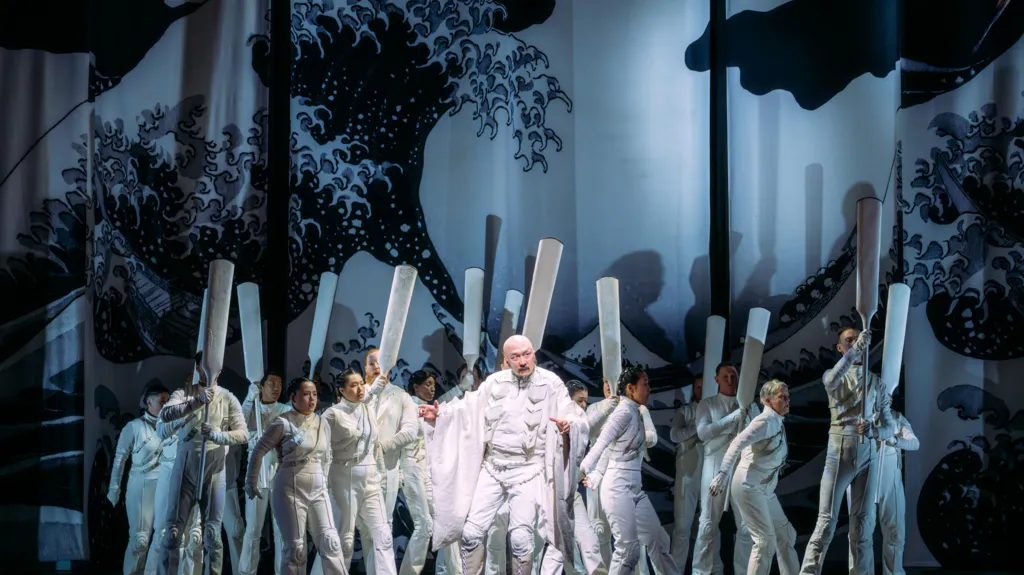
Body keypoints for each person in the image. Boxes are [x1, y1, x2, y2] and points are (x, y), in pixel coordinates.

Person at [419, 335, 588, 575]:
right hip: (493, 466)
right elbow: (468, 408)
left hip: (529, 470)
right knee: (470, 534)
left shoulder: (551, 383)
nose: (522, 361)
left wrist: (570, 426)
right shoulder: (494, 382)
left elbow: (571, 413)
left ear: (534, 354)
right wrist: (440, 415)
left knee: (520, 539)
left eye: (526, 354)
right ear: (506, 360)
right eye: (516, 356)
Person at [799, 328, 894, 575]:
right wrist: (855, 352)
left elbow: (889, 426)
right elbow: (830, 381)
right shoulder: (834, 376)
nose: (855, 343)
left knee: (863, 525)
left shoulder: (877, 383)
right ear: (840, 348)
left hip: (868, 452)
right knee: (827, 521)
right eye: (849, 341)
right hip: (839, 451)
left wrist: (875, 430)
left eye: (858, 340)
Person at [580, 368, 678, 575]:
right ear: (631, 388)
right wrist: (585, 470)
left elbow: (615, 447)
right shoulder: (624, 411)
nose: (649, 388)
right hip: (617, 487)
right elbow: (602, 443)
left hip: (634, 488)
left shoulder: (636, 411)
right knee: (628, 551)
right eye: (645, 383)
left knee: (658, 540)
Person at [157, 352, 248, 575]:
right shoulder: (183, 393)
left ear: (220, 371)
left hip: (215, 468)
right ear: (197, 368)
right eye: (203, 366)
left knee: (211, 534)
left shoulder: (227, 398)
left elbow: (243, 434)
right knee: (173, 533)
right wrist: (196, 403)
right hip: (186, 465)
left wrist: (218, 435)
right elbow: (165, 415)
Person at [245, 377, 347, 575]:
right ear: (293, 397)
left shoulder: (321, 421)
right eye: (306, 394)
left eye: (315, 394)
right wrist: (251, 482)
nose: (312, 399)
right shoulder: (282, 422)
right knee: (295, 549)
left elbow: (327, 456)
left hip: (318, 487)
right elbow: (258, 452)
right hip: (289, 486)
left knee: (331, 543)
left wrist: (324, 481)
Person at [708, 380, 798, 575]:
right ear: (768, 400)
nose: (787, 400)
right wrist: (723, 473)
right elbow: (737, 443)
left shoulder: (776, 421)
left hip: (764, 488)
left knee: (786, 535)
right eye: (782, 397)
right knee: (765, 542)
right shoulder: (764, 422)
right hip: (748, 486)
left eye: (787, 396)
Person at [313, 368, 395, 575]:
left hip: (370, 477)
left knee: (383, 534)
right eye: (353, 385)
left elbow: (373, 444)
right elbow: (320, 452)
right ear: (341, 390)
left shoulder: (367, 408)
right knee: (344, 540)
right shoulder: (332, 414)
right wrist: (320, 485)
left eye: (361, 383)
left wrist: (381, 472)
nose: (359, 388)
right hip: (343, 477)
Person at [691, 363, 755, 575]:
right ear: (716, 379)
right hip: (714, 467)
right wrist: (733, 418)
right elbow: (703, 433)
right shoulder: (707, 404)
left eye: (733, 375)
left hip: (741, 468)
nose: (730, 379)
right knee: (708, 526)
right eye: (725, 376)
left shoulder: (749, 406)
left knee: (746, 528)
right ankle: (701, 572)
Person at [538, 380, 607, 575]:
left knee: (589, 540)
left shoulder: (580, 424)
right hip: (550, 492)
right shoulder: (551, 420)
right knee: (556, 545)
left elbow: (588, 431)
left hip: (571, 492)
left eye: (585, 401)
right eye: (579, 401)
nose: (583, 406)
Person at [846, 410, 919, 575]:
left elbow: (914, 443)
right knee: (860, 533)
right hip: (862, 481)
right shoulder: (856, 417)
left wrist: (892, 439)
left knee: (895, 533)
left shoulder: (897, 418)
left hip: (890, 482)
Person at [108, 383, 170, 575]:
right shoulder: (134, 427)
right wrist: (114, 488)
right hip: (141, 485)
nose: (166, 404)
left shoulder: (171, 427)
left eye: (168, 401)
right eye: (162, 401)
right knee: (140, 540)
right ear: (148, 401)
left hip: (163, 485)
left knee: (161, 538)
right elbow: (120, 459)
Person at [407, 371, 461, 575]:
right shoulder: (410, 407)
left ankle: (450, 571)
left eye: (433, 384)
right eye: (427, 384)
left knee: (444, 521)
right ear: (415, 387)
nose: (432, 388)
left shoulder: (428, 408)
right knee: (425, 526)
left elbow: (446, 407)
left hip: (430, 472)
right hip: (413, 471)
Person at [238, 372, 291, 575]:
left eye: (279, 383)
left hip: (279, 477)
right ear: (262, 386)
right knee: (253, 531)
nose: (276, 387)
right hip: (256, 475)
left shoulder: (285, 410)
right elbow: (239, 428)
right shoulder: (252, 409)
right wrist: (249, 399)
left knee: (281, 533)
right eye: (272, 383)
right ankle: (246, 572)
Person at [668, 376, 703, 571]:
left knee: (708, 529)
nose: (701, 389)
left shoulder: (717, 410)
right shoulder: (686, 411)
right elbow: (674, 435)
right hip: (687, 474)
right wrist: (699, 426)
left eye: (704, 386)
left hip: (709, 474)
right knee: (682, 528)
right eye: (698, 387)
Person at [586, 377, 619, 567]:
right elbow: (587, 431)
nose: (608, 384)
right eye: (605, 380)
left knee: (628, 533)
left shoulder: (631, 408)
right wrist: (607, 407)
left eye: (612, 380)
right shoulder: (595, 408)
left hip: (619, 470)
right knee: (599, 528)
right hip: (595, 471)